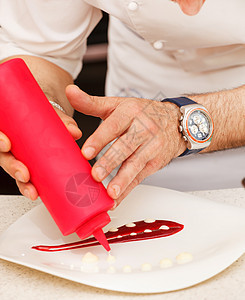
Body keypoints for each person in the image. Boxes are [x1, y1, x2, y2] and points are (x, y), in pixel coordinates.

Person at [0, 0, 244, 208]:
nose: (191, 9)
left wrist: (180, 124)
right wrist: (35, 110)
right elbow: (38, 49)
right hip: (128, 164)